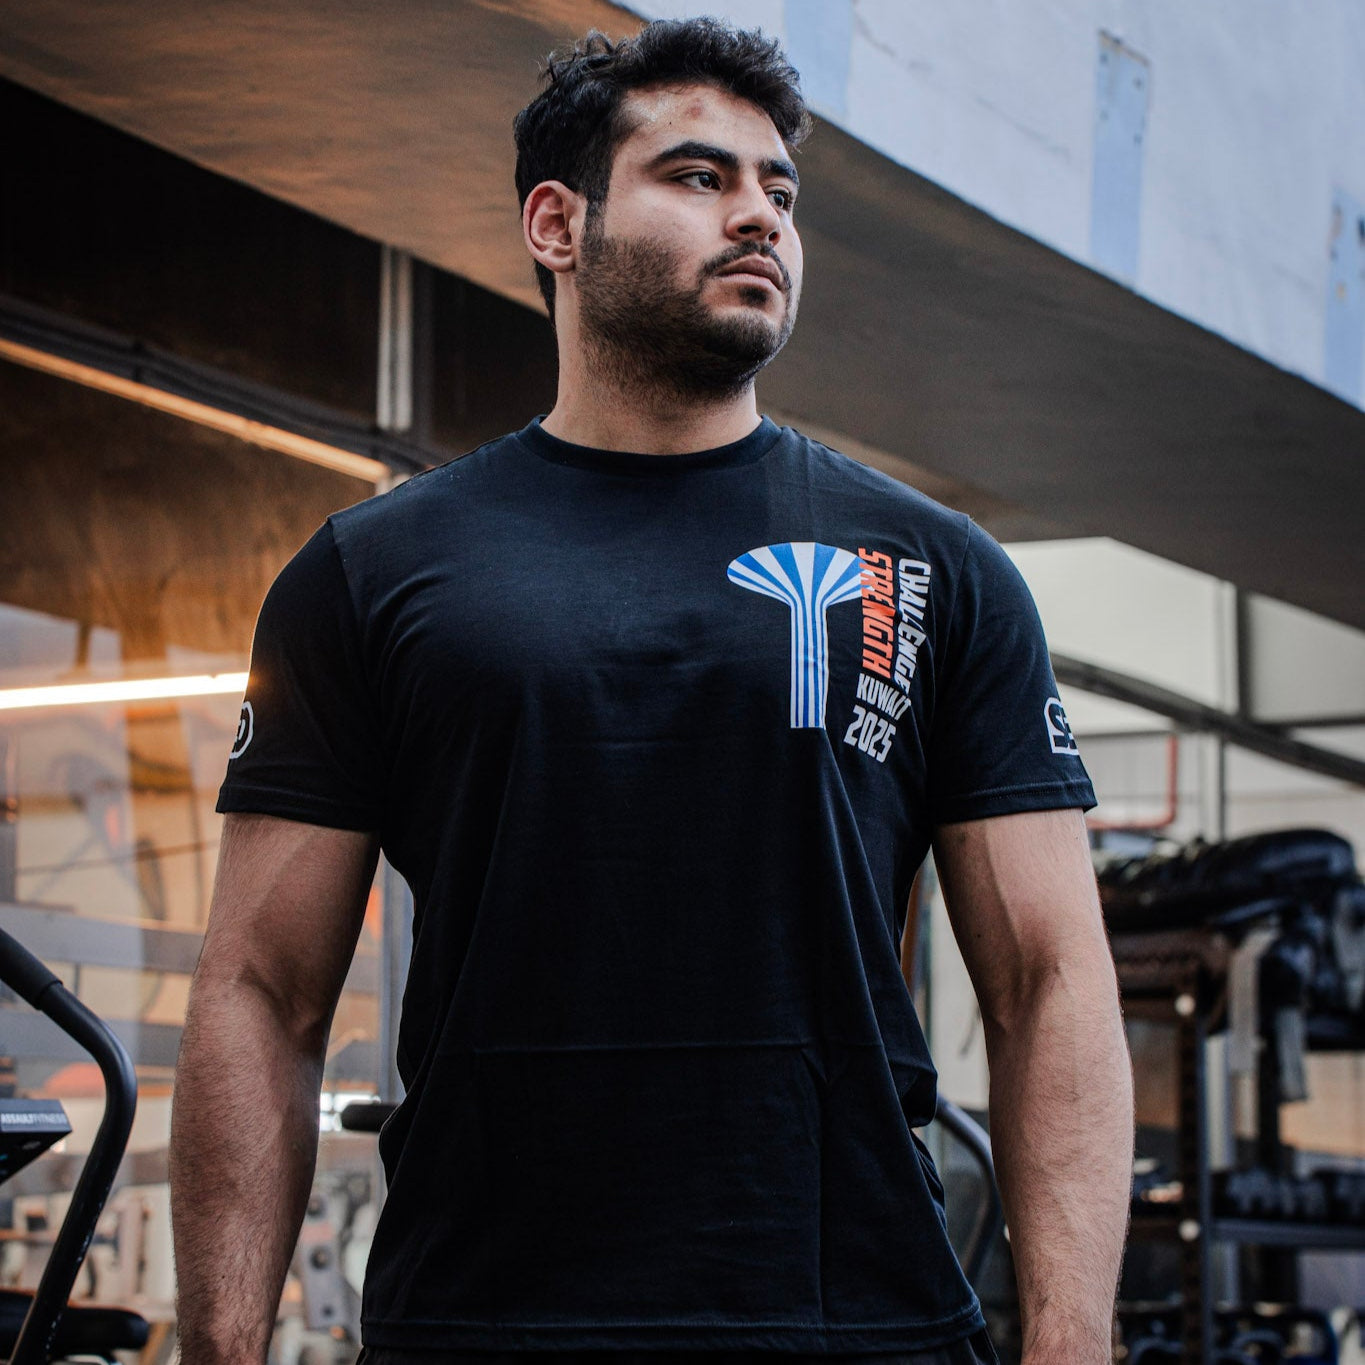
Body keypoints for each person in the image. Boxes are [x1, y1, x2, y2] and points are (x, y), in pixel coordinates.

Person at [169, 17, 1132, 1365]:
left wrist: (1071, 1343)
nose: (758, 219)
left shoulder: (928, 569)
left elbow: (1047, 982)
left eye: (777, 191)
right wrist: (220, 1345)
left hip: (854, 1320)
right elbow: (260, 989)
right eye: (697, 178)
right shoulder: (375, 570)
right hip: (481, 1324)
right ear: (557, 225)